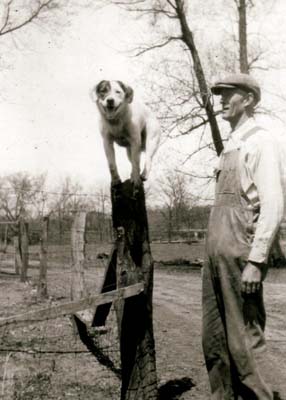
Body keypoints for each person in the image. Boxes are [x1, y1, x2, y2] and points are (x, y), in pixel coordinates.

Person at [202, 73, 284, 400]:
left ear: (248, 99)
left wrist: (255, 260)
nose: (221, 99)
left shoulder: (261, 141)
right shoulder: (231, 145)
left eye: (228, 94)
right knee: (214, 341)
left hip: (240, 254)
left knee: (245, 344)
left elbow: (274, 205)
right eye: (219, 94)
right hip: (214, 256)